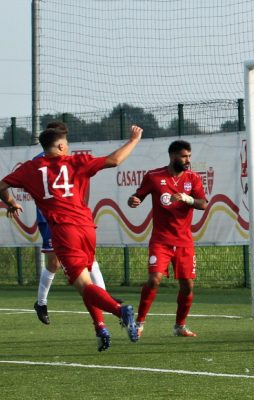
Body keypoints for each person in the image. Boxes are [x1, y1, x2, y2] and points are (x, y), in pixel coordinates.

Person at [0, 124, 143, 351]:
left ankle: (120, 311)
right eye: (66, 144)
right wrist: (134, 140)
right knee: (84, 282)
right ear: (59, 145)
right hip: (87, 227)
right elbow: (114, 161)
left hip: (64, 232)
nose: (67, 148)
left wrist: (11, 202)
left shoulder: (31, 168)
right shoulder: (77, 161)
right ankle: (100, 328)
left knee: (84, 284)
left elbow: (2, 185)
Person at [32, 122, 117, 325]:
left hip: (74, 222)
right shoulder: (38, 162)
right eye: (63, 138)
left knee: (89, 258)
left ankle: (104, 297)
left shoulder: (71, 161)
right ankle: (41, 302)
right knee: (54, 263)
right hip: (51, 221)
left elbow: (81, 185)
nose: (66, 143)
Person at [128, 140, 208, 338]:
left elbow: (203, 204)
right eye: (184, 156)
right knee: (154, 280)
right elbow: (138, 196)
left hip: (184, 241)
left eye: (189, 156)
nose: (188, 160)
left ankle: (179, 326)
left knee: (187, 285)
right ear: (173, 157)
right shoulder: (154, 176)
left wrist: (187, 199)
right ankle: (139, 322)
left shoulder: (193, 178)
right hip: (161, 240)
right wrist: (134, 200)